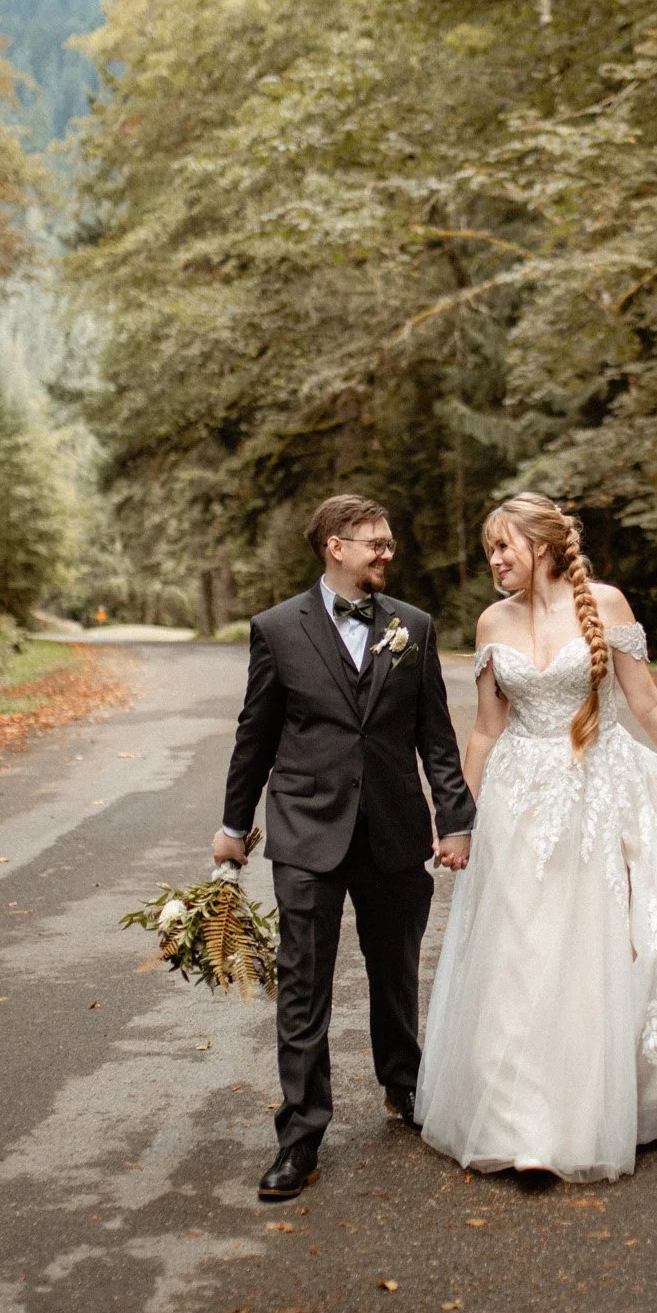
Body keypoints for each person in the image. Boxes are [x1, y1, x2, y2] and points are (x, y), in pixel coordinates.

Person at [415, 494, 657, 1182]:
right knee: (516, 951)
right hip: (515, 802)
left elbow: (648, 702)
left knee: (579, 952)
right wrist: (458, 820)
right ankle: (515, 1124)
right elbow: (483, 728)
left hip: (593, 793)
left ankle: (570, 1118)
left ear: (541, 545)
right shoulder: (490, 622)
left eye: (504, 547)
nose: (495, 562)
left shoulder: (606, 604)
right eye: (489, 551)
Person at [215, 494, 475, 1201]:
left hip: (394, 828)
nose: (387, 552)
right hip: (306, 831)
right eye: (375, 543)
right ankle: (300, 1135)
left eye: (389, 542)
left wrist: (455, 819)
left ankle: (405, 1087)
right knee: (304, 985)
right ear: (334, 546)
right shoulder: (276, 628)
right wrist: (234, 827)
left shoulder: (412, 627)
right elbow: (256, 736)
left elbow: (436, 738)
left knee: (395, 972)